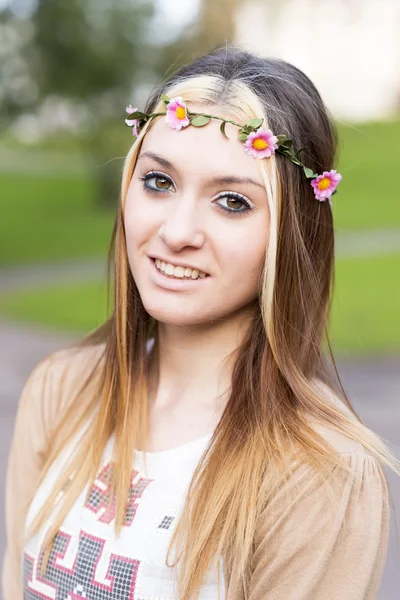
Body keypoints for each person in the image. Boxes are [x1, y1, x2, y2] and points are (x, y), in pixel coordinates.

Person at [2, 45, 399, 600]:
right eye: (159, 183)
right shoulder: (62, 389)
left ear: (291, 232)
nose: (177, 231)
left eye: (232, 201)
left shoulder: (320, 471)